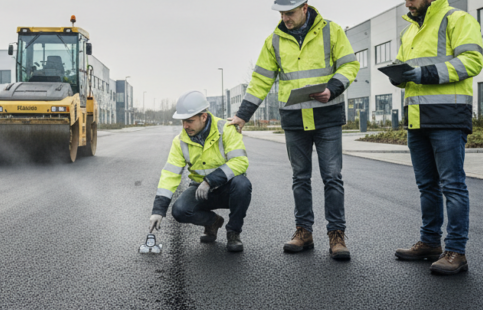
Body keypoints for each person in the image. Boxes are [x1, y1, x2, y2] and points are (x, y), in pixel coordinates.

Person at [226, 0, 359, 259]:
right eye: (282, 13)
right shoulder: (274, 40)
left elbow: (349, 65)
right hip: (295, 120)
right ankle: (303, 232)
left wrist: (332, 88)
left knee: (332, 177)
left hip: (327, 117)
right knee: (300, 178)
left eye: (290, 13)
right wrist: (242, 116)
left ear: (305, 8)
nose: (285, 18)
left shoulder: (332, 31)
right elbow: (261, 81)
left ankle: (336, 235)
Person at [389, 0, 483, 275]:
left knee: (452, 185)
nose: (408, 2)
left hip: (448, 117)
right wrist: (399, 75)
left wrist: (422, 73)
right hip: (416, 118)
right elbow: (409, 71)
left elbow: (472, 62)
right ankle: (430, 242)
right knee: (426, 185)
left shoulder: (457, 19)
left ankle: (456, 251)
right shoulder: (408, 32)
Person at [149, 91, 251, 252]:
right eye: (183, 121)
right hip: (200, 190)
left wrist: (210, 180)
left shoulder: (227, 130)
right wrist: (158, 211)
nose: (185, 126)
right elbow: (170, 174)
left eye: (190, 121)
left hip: (228, 189)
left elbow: (240, 162)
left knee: (243, 184)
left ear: (204, 117)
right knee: (180, 211)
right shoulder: (180, 141)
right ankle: (212, 222)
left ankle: (233, 232)